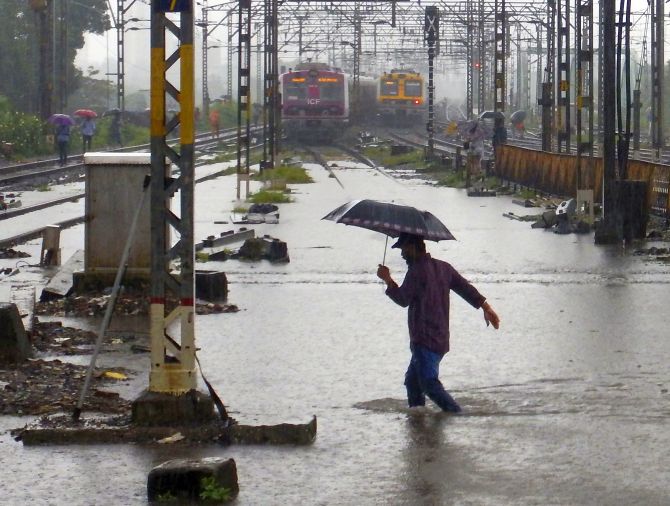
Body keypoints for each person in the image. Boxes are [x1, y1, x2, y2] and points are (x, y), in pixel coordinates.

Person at [376, 233, 500, 413]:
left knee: (428, 383)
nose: (402, 255)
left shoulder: (417, 271)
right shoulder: (444, 268)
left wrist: (387, 279)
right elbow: (465, 288)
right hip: (440, 338)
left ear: (412, 247)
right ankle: (418, 419)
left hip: (423, 339)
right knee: (412, 381)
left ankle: (457, 414)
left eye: (403, 249)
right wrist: (486, 307)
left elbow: (403, 299)